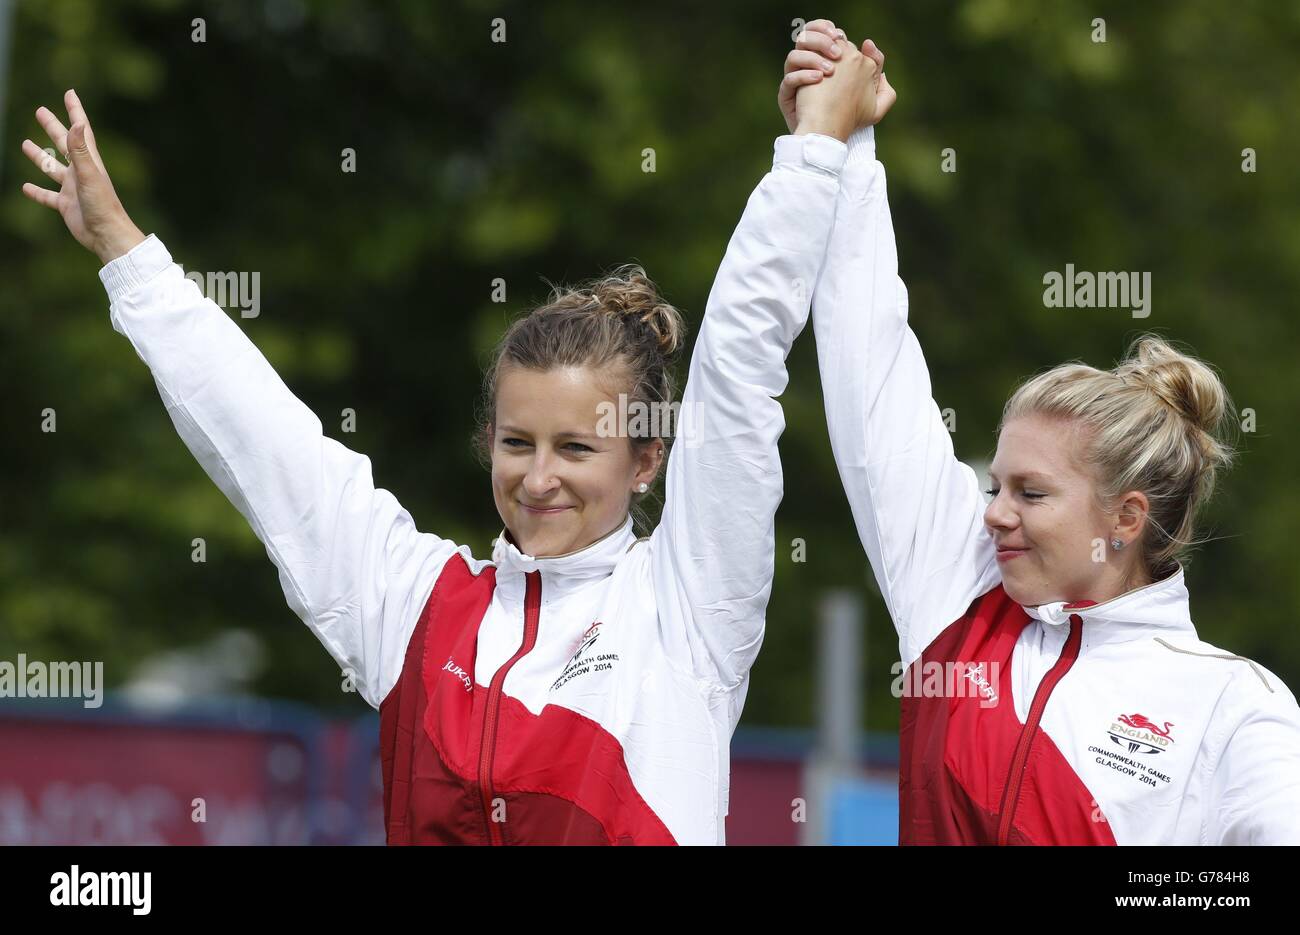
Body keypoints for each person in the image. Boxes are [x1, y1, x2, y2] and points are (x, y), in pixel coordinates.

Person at [19, 35, 872, 844]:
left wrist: (815, 149)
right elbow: (269, 444)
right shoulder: (417, 604)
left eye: (576, 449)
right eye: (517, 443)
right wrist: (125, 254)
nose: (539, 478)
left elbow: (738, 357)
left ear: (646, 458)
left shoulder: (687, 603)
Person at [786, 19, 1300, 844]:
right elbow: (867, 364)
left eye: (1030, 492)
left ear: (1126, 518)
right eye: (996, 485)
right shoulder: (958, 586)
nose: (994, 512)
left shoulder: (1236, 708)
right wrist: (844, 143)